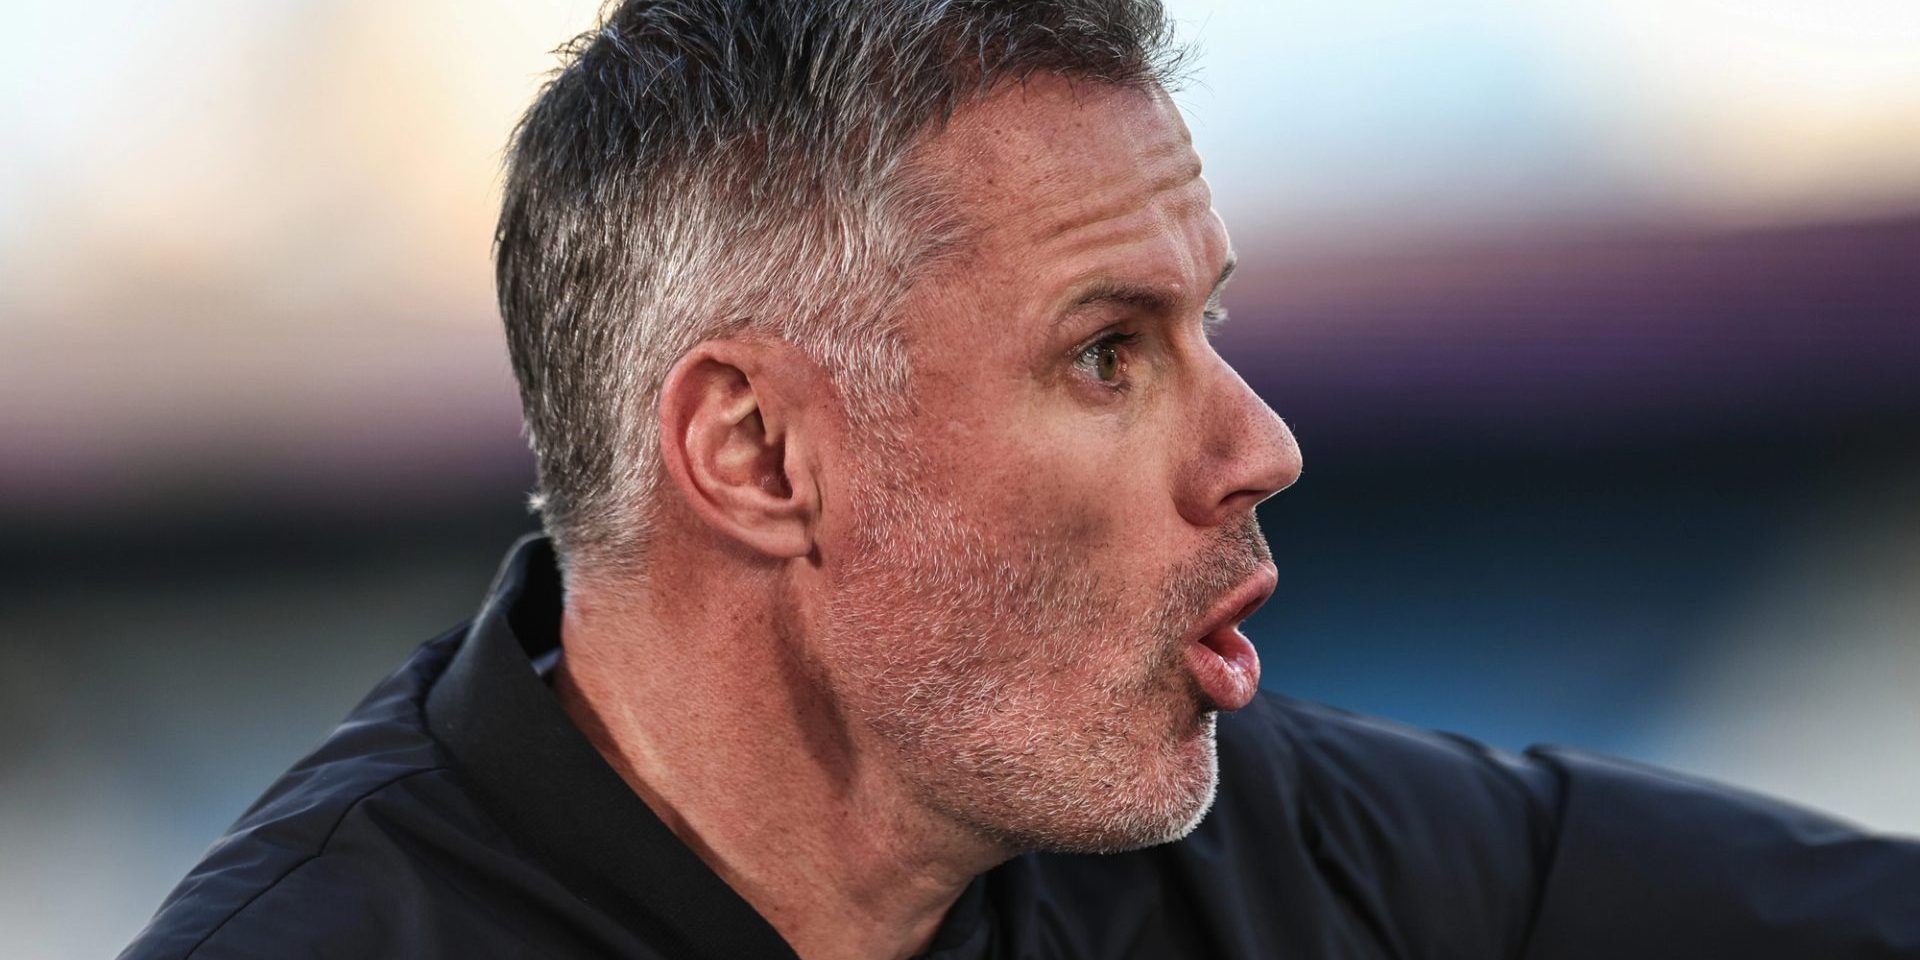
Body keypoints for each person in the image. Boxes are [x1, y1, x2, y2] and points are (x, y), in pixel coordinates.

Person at [120, 2, 1920, 958]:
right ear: (753, 453)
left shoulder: (1250, 848)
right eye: (1108, 353)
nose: (1261, 446)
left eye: (1209, 325)